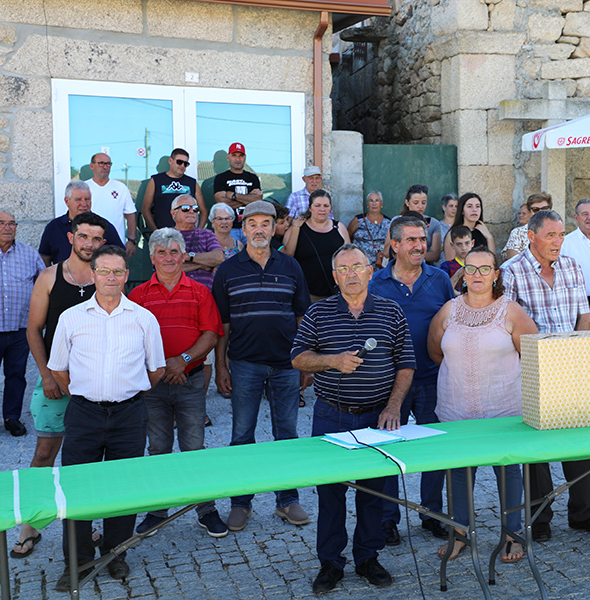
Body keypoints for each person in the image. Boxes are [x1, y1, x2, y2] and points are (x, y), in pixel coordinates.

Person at [291, 243, 415, 593]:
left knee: (373, 493)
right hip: (331, 415)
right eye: (343, 269)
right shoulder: (319, 313)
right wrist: (332, 361)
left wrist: (393, 408)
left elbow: (406, 365)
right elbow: (298, 357)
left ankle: (367, 558)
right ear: (334, 276)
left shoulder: (391, 312)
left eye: (357, 267)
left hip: (378, 417)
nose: (351, 274)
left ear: (370, 271)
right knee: (330, 491)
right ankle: (330, 563)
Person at [48, 245, 166, 590]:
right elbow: (58, 369)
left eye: (118, 272)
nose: (111, 278)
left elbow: (155, 370)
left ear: (127, 275)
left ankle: (116, 555)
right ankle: (78, 561)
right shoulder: (71, 318)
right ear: (92, 274)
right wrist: (88, 395)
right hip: (83, 413)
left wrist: (124, 393)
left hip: (129, 414)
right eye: (104, 271)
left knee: (123, 489)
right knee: (77, 490)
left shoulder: (143, 319)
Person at [502, 209, 590, 541]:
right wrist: (541, 359)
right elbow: (507, 327)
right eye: (550, 235)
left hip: (570, 367)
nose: (558, 241)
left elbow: (584, 316)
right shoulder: (511, 271)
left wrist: (573, 354)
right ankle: (540, 519)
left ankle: (583, 513)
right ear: (531, 236)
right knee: (536, 451)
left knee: (577, 444)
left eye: (561, 234)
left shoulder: (571, 267)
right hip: (532, 370)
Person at [428, 247, 538, 562]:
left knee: (508, 471)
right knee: (459, 472)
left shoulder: (511, 311)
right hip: (456, 409)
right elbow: (436, 351)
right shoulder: (449, 310)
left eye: (484, 269)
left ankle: (512, 534)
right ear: (462, 272)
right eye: (470, 268)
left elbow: (532, 355)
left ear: (496, 274)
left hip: (503, 411)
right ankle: (459, 533)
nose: (477, 275)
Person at [212, 201, 311, 532]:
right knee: (241, 435)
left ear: (274, 228)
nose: (259, 229)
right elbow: (222, 324)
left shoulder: (291, 266)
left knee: (288, 435)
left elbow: (302, 318)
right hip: (244, 364)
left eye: (265, 223)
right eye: (252, 223)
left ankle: (287, 500)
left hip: (286, 364)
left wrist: (306, 361)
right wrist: (221, 366)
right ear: (244, 227)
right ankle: (241, 502)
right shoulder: (228, 270)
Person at [12, 212, 105, 558]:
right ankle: (31, 524)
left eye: (96, 239)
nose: (90, 245)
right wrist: (47, 375)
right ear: (71, 238)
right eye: (84, 237)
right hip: (56, 382)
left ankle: (85, 522)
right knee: (45, 453)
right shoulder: (50, 277)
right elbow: (33, 330)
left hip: (94, 384)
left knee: (87, 457)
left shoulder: (104, 278)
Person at [128, 228, 228, 538]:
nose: (169, 257)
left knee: (194, 447)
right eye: (162, 252)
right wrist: (160, 368)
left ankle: (205, 509)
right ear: (152, 256)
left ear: (184, 255)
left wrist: (181, 360)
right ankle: (158, 511)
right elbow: (130, 340)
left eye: (174, 251)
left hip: (191, 379)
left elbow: (211, 334)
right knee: (157, 448)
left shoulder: (199, 291)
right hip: (153, 385)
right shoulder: (137, 295)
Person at [370, 215, 455, 545]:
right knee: (389, 449)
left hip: (434, 378)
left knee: (434, 448)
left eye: (423, 239)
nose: (421, 245)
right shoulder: (376, 284)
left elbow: (451, 323)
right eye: (411, 240)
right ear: (394, 245)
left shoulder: (439, 279)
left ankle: (432, 514)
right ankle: (388, 518)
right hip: (391, 384)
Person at [0, 209, 45, 441]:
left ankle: (12, 418)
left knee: (16, 375)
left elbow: (44, 285)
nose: (7, 227)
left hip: (21, 329)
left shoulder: (29, 255)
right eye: (1, 223)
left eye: (12, 223)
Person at [282, 189, 350, 302]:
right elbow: (288, 256)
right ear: (310, 208)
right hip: (307, 294)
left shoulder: (339, 228)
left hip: (338, 294)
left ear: (330, 208)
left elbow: (349, 258)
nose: (322, 209)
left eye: (326, 205)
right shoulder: (297, 228)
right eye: (317, 205)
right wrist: (295, 227)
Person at [39, 181, 125, 266]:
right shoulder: (54, 227)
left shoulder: (104, 226)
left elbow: (120, 256)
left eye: (87, 199)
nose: (84, 204)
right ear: (67, 201)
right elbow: (44, 258)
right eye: (78, 199)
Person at [85, 152, 138, 257]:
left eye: (108, 164)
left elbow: (130, 215)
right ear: (92, 166)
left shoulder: (120, 187)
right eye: (101, 163)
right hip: (90, 244)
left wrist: (131, 240)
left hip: (116, 244)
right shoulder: (84, 187)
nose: (105, 167)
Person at [142, 148, 208, 230]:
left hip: (187, 235)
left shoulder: (192, 183)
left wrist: (198, 231)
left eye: (185, 164)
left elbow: (203, 211)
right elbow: (145, 209)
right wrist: (156, 232)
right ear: (170, 161)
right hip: (164, 234)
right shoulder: (156, 180)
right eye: (179, 162)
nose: (182, 166)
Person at [170, 194, 224, 291]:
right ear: (174, 213)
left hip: (205, 295)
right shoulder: (165, 235)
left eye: (195, 208)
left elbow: (219, 257)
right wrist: (202, 264)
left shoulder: (207, 234)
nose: (191, 211)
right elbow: (167, 268)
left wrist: (188, 257)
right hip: (176, 295)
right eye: (185, 208)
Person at [213, 142, 263, 244]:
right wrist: (249, 199)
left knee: (252, 258)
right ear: (228, 157)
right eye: (234, 155)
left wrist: (233, 196)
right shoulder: (221, 178)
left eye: (241, 156)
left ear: (245, 158)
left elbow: (257, 200)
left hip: (250, 227)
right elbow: (221, 202)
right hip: (229, 227)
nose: (238, 159)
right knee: (231, 257)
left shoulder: (252, 178)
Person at [382, 185, 443, 264]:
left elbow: (435, 255)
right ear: (407, 202)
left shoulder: (434, 223)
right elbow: (386, 252)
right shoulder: (396, 221)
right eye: (416, 203)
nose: (420, 206)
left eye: (423, 203)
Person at [443, 193, 496, 260]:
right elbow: (451, 265)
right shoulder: (453, 233)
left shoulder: (483, 231)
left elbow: (494, 262)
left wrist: (489, 237)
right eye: (469, 206)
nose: (474, 210)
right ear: (462, 210)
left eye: (478, 206)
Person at [502, 192, 552, 261]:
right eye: (535, 209)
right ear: (530, 212)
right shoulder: (518, 233)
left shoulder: (557, 232)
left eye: (544, 208)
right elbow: (514, 262)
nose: (540, 212)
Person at [347, 191, 389, 269]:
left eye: (377, 200)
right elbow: (348, 236)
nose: (374, 203)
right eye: (371, 200)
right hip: (360, 263)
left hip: (380, 264)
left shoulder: (388, 222)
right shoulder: (358, 220)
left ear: (381, 204)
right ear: (367, 204)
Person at [438, 225, 473, 294]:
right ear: (452, 245)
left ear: (472, 243)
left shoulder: (478, 264)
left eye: (467, 243)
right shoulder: (446, 266)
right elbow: (442, 289)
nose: (464, 248)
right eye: (459, 244)